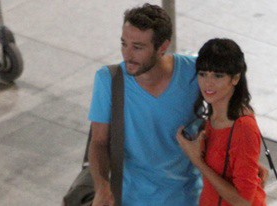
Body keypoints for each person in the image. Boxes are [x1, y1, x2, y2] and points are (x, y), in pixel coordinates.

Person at [88, 3, 267, 206]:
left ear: (162, 47)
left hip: (188, 198)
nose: (127, 54)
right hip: (131, 199)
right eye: (124, 43)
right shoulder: (108, 80)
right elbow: (99, 142)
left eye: (138, 47)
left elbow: (231, 106)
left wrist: (245, 158)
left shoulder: (195, 73)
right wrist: (102, 186)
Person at [176, 38, 267, 206]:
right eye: (203, 74)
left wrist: (197, 161)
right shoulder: (213, 113)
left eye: (218, 76)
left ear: (235, 78)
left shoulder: (243, 126)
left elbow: (243, 201)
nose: (208, 83)